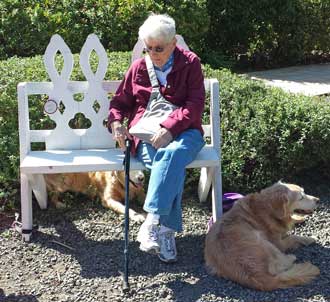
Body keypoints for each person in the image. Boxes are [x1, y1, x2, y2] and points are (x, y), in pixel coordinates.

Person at [108, 13, 205, 263]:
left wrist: (170, 128)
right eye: (148, 48)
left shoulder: (191, 63)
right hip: (146, 135)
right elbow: (119, 102)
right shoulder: (138, 67)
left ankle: (152, 221)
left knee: (170, 155)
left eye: (159, 48)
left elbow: (195, 105)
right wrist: (117, 123)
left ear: (173, 43)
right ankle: (166, 232)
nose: (153, 53)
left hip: (187, 133)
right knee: (169, 164)